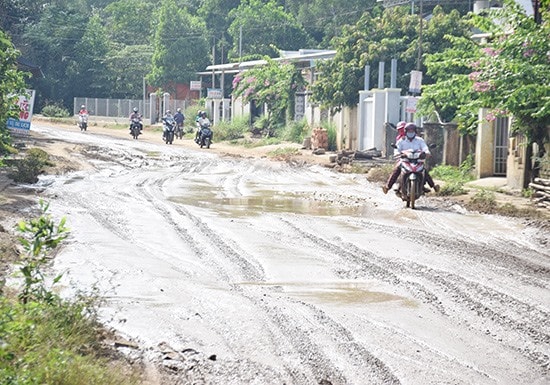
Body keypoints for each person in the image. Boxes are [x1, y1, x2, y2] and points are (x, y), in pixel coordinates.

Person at [382, 123, 439, 194]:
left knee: (424, 170)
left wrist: (427, 153)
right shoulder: (401, 141)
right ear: (406, 132)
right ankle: (388, 187)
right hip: (405, 160)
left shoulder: (419, 140)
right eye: (409, 131)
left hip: (417, 160)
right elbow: (397, 149)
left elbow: (424, 148)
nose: (411, 133)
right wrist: (398, 154)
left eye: (412, 131)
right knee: (396, 169)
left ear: (415, 132)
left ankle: (433, 186)